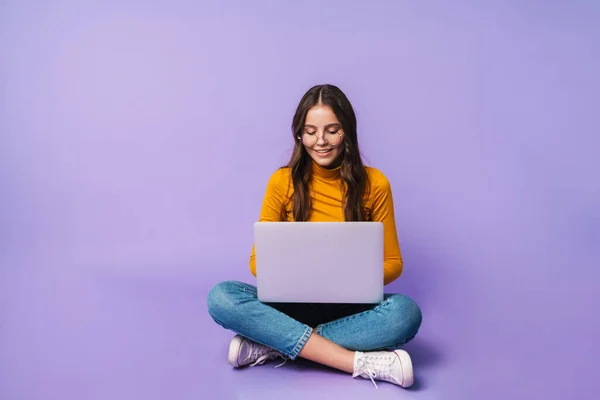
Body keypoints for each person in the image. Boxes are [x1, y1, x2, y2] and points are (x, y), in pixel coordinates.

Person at [206, 84, 422, 389]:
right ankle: (357, 362)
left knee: (405, 314)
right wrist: (301, 273)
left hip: (351, 309)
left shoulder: (376, 184)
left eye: (332, 130)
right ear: (299, 134)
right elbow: (257, 263)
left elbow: (393, 263)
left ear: (347, 131)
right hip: (290, 305)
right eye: (310, 131)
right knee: (221, 296)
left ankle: (272, 343)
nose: (320, 141)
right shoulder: (282, 181)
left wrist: (347, 277)